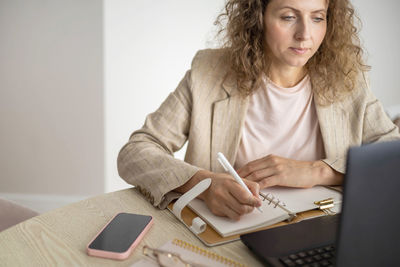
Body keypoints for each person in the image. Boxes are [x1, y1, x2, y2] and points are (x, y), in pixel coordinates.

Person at [117, 0, 400, 220]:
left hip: (322, 233)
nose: (305, 35)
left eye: (317, 17)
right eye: (289, 17)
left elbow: (393, 155)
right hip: (231, 235)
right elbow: (136, 152)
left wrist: (317, 171)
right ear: (258, 18)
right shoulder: (208, 74)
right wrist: (202, 184)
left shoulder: (347, 79)